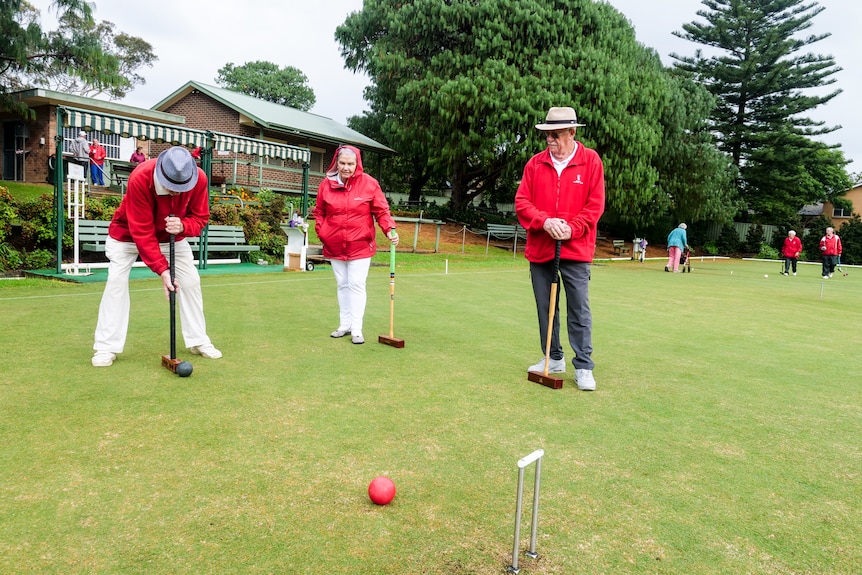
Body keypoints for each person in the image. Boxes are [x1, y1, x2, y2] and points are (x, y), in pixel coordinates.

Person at [91, 146, 222, 367]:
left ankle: (198, 340)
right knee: (116, 282)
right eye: (172, 188)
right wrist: (163, 271)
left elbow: (200, 218)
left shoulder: (199, 178)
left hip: (172, 236)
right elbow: (141, 231)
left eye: (181, 188)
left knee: (191, 282)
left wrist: (183, 225)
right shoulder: (141, 177)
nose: (176, 193)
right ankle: (106, 346)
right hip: (127, 236)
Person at [515, 106, 605, 391]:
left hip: (576, 250)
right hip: (541, 249)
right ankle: (553, 358)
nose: (550, 140)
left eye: (555, 135)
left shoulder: (590, 161)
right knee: (546, 308)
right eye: (547, 135)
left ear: (572, 132)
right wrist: (545, 221)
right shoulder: (535, 164)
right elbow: (522, 203)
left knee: (579, 309)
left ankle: (584, 366)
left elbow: (595, 205)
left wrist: (572, 227)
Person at [313, 145, 399, 345]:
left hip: (360, 244)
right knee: (342, 285)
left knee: (356, 284)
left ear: (357, 164)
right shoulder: (326, 184)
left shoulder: (369, 184)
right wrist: (322, 232)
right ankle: (344, 325)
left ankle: (357, 329)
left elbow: (382, 211)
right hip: (334, 244)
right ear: (336, 162)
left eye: (350, 164)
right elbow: (319, 212)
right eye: (342, 163)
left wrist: (389, 230)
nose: (346, 167)